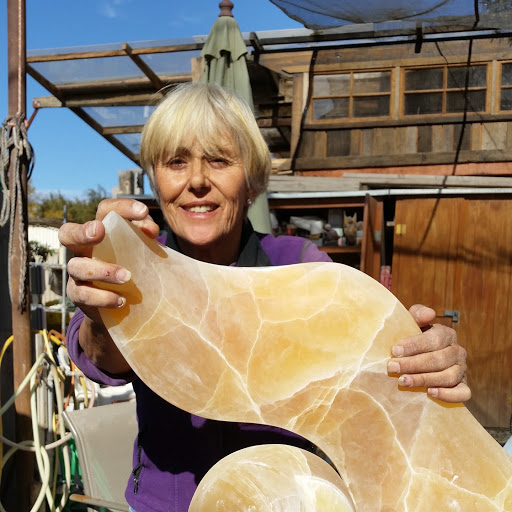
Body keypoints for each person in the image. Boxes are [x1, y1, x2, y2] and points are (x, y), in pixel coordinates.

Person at [59, 82, 470, 512]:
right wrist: (100, 307)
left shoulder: (301, 268)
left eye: (219, 160)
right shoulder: (136, 273)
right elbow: (102, 358)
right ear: (157, 182)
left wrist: (423, 359)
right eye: (176, 162)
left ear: (251, 182)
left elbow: (371, 362)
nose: (197, 180)